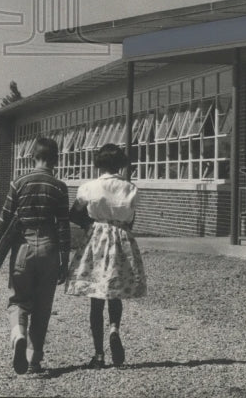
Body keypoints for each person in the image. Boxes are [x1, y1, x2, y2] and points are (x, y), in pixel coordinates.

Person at [0, 135, 70, 376]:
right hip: (50, 248)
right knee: (43, 308)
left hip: (22, 247)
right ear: (56, 159)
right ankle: (33, 359)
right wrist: (64, 260)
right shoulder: (59, 187)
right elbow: (63, 226)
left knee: (18, 300)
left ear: (33, 156)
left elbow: (4, 217)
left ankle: (18, 334)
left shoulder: (18, 182)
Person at [65, 143, 146, 368]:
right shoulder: (130, 188)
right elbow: (130, 220)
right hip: (121, 239)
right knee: (115, 290)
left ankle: (99, 355)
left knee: (96, 296)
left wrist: (90, 224)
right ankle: (114, 329)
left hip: (97, 238)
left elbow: (74, 214)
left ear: (99, 163)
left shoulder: (89, 188)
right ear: (120, 163)